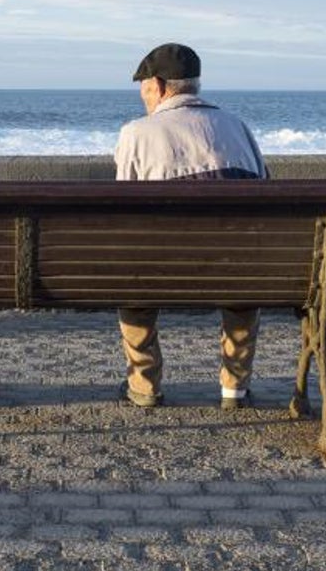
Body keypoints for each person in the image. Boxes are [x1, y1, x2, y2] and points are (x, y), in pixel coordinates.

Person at [113, 42, 269, 410]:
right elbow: (264, 192)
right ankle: (234, 388)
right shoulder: (238, 127)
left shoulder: (136, 133)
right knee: (242, 283)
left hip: (160, 270)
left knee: (132, 281)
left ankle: (145, 384)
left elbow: (123, 209)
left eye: (144, 89)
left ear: (159, 85)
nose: (143, 97)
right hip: (235, 270)